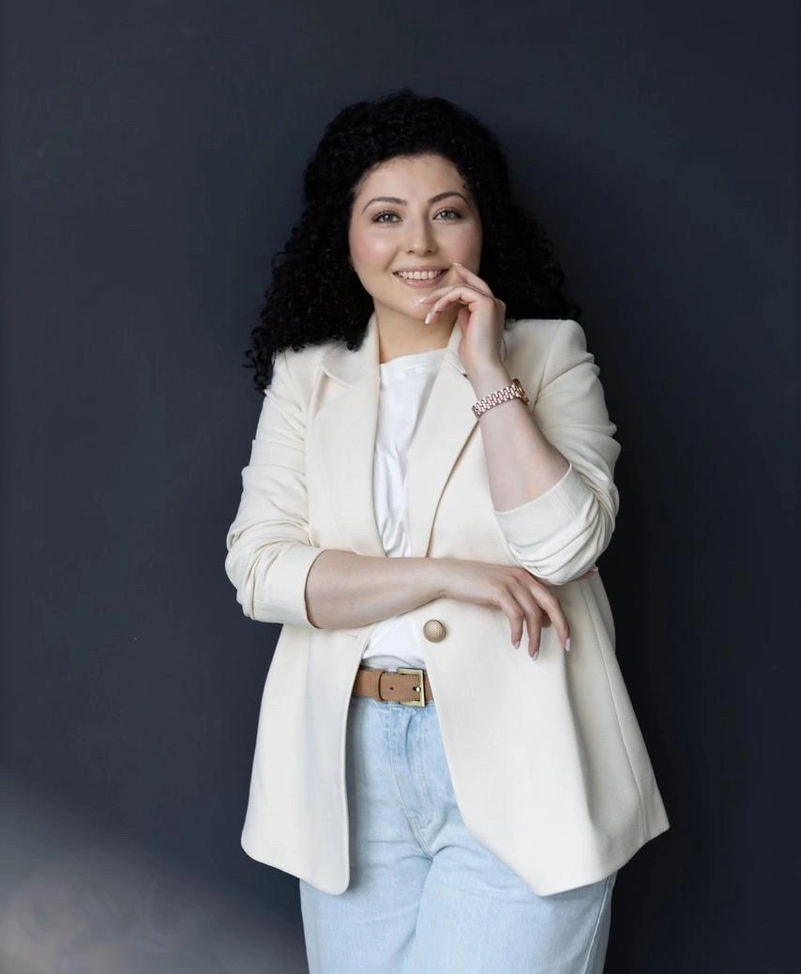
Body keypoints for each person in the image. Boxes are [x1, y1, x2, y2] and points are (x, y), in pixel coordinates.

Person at [224, 88, 669, 974]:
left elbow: (564, 545)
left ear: (480, 228)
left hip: (526, 758)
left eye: (447, 213)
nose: (418, 245)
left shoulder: (549, 354)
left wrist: (486, 370)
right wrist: (446, 575)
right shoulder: (306, 378)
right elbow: (263, 572)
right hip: (346, 770)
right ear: (344, 235)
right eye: (385, 216)